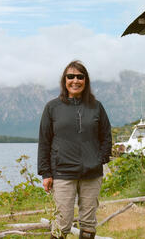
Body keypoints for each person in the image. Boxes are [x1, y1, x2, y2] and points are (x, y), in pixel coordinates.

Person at [38, 60, 112, 239]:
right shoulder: (52, 107)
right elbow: (44, 141)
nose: (75, 80)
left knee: (88, 222)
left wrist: (98, 159)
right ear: (64, 80)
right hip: (62, 173)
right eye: (70, 76)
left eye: (80, 77)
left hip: (91, 174)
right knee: (63, 221)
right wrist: (46, 173)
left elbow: (106, 136)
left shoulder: (96, 106)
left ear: (86, 81)